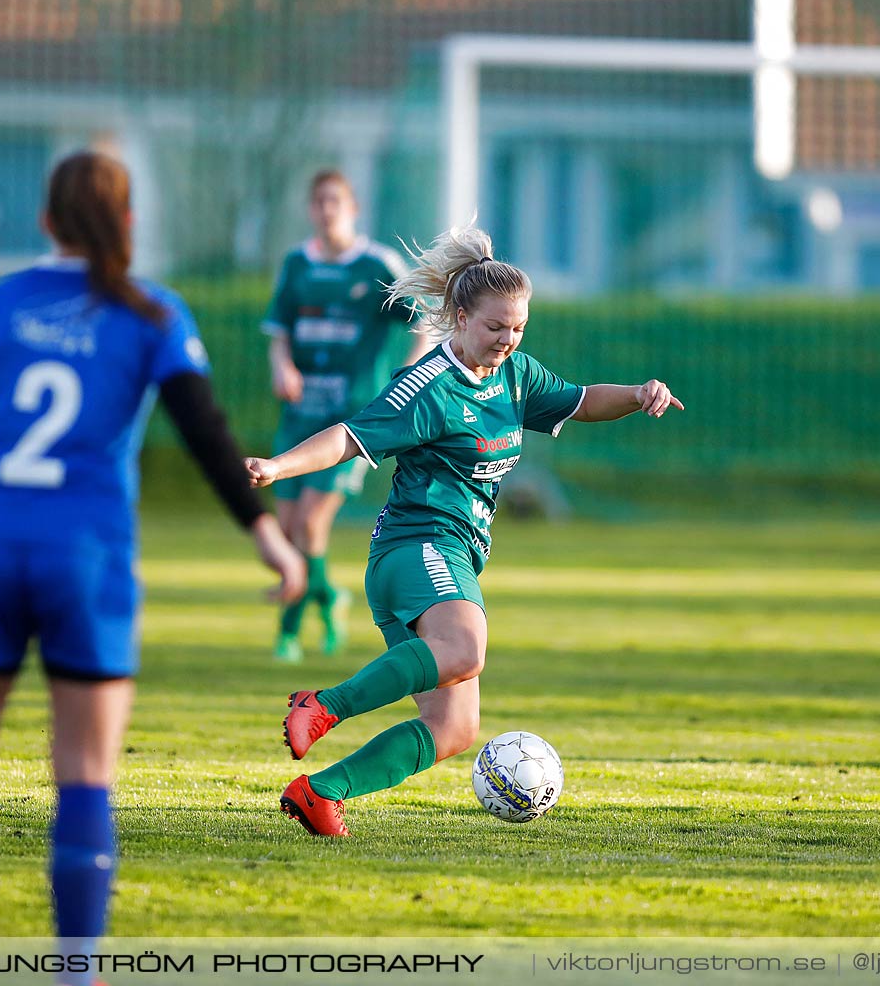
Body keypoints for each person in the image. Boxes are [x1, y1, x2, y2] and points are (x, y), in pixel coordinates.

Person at [0, 151, 304, 985]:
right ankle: (75, 972)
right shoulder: (152, 314)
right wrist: (268, 536)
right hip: (87, 557)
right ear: (128, 225)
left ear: (45, 222)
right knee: (85, 772)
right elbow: (205, 431)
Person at [245, 225, 683, 837]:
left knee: (454, 729)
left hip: (450, 557)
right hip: (417, 546)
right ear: (458, 316)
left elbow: (582, 400)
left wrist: (637, 394)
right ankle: (323, 706)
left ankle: (320, 793)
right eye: (495, 327)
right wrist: (277, 465)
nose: (508, 339)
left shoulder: (516, 376)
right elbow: (350, 436)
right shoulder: (429, 387)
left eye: (518, 328)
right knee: (467, 648)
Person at [261, 169, 431, 662]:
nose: (327, 209)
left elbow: (425, 321)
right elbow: (278, 331)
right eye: (318, 201)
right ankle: (328, 597)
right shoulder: (297, 262)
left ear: (353, 209)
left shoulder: (376, 263)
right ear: (310, 209)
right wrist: (283, 366)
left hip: (354, 421)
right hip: (299, 414)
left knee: (311, 526)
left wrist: (409, 366)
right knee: (289, 528)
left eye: (336, 201)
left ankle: (288, 634)